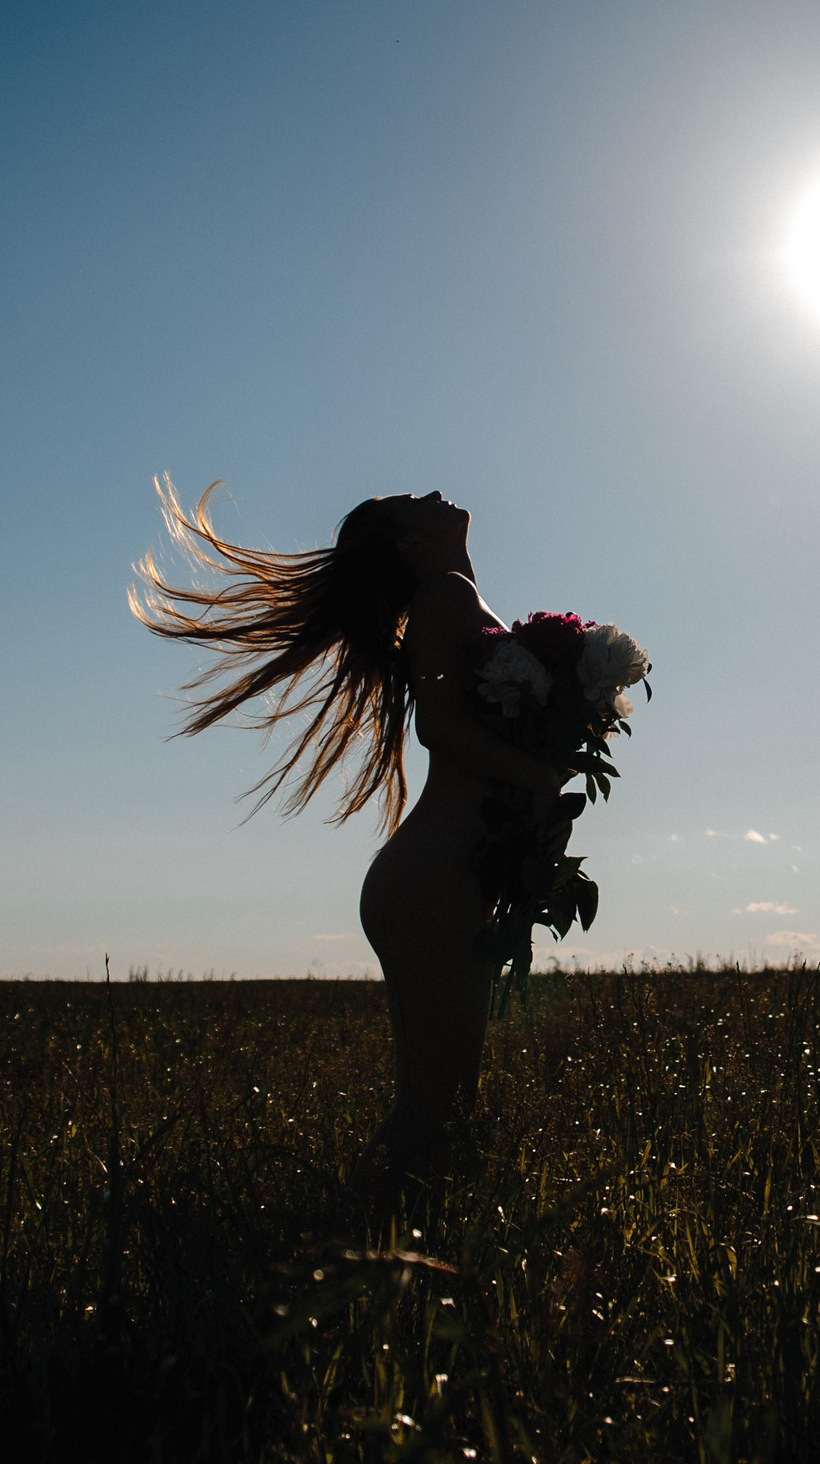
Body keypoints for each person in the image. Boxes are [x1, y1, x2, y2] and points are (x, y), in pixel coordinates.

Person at [130, 481, 568, 1198]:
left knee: (449, 1102)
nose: (436, 491)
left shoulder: (456, 597)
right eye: (416, 500)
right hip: (432, 876)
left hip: (450, 872)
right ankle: (363, 1234)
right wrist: (542, 777)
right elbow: (440, 727)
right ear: (412, 544)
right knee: (433, 1105)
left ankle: (393, 1232)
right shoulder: (446, 594)